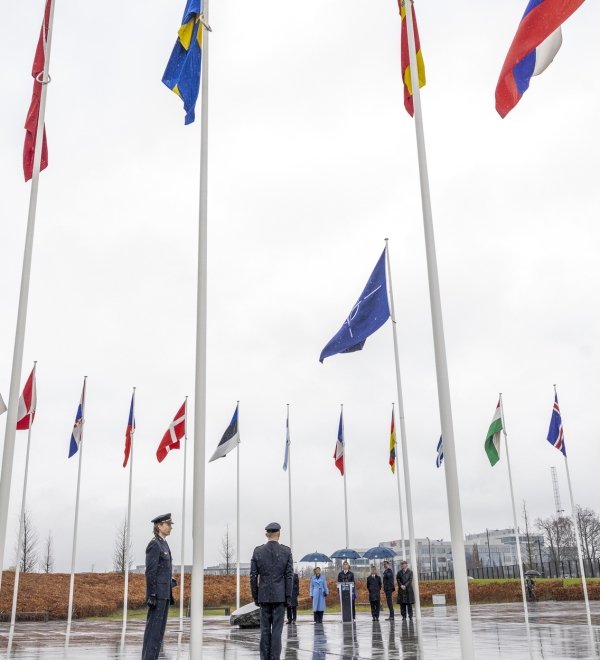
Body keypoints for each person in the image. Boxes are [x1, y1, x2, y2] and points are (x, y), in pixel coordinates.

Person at [250, 522, 293, 660]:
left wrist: (256, 596)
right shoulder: (286, 551)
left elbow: (253, 576)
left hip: (264, 596)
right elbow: (289, 576)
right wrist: (288, 596)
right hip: (280, 597)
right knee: (277, 633)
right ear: (279, 534)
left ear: (266, 534)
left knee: (264, 631)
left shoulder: (258, 551)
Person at [142, 513, 177, 660]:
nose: (170, 527)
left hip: (165, 594)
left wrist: (171, 582)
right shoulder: (154, 544)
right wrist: (152, 594)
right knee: (153, 633)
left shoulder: (164, 543)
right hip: (158, 595)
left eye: (170, 525)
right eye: (167, 524)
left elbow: (163, 571)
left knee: (159, 634)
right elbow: (150, 572)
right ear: (159, 526)